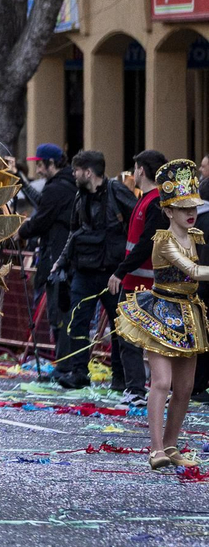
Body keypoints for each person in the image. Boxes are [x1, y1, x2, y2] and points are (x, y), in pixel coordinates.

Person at [113, 160, 209, 469]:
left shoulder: (196, 236)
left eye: (192, 206)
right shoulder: (164, 241)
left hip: (189, 313)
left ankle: (170, 445)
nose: (190, 212)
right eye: (182, 208)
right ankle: (155, 449)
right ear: (168, 211)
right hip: (162, 313)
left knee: (185, 387)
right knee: (162, 382)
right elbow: (192, 270)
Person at [54, 150, 131, 388]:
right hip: (84, 271)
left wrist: (127, 266)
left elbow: (137, 224)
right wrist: (62, 261)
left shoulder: (117, 192)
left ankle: (120, 377)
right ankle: (79, 373)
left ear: (88, 172)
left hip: (112, 272)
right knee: (77, 322)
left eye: (76, 170)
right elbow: (74, 232)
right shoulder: (80, 196)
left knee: (118, 326)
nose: (73, 174)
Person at [109, 149, 170, 398]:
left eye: (135, 169)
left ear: (141, 171)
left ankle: (136, 389)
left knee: (132, 337)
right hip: (138, 279)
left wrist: (120, 271)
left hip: (142, 280)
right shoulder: (146, 200)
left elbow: (146, 243)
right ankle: (141, 387)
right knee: (137, 337)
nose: (133, 174)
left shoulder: (153, 202)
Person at [18, 143, 76, 379]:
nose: (38, 170)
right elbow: (43, 204)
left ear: (52, 163)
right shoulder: (64, 185)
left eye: (40, 165)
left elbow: (41, 218)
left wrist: (20, 231)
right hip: (63, 258)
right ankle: (67, 365)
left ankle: (65, 367)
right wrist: (19, 179)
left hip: (57, 260)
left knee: (59, 314)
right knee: (62, 314)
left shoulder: (58, 188)